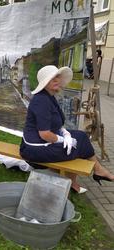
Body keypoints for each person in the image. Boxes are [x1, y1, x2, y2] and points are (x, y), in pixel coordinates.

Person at [20, 65, 114, 193]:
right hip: (34, 149)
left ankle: (92, 173)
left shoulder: (49, 97)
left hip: (40, 144)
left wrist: (64, 132)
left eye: (58, 77)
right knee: (78, 145)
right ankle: (87, 176)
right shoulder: (41, 100)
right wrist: (62, 139)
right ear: (44, 83)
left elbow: (55, 125)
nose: (57, 80)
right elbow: (45, 134)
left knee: (80, 136)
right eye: (53, 79)